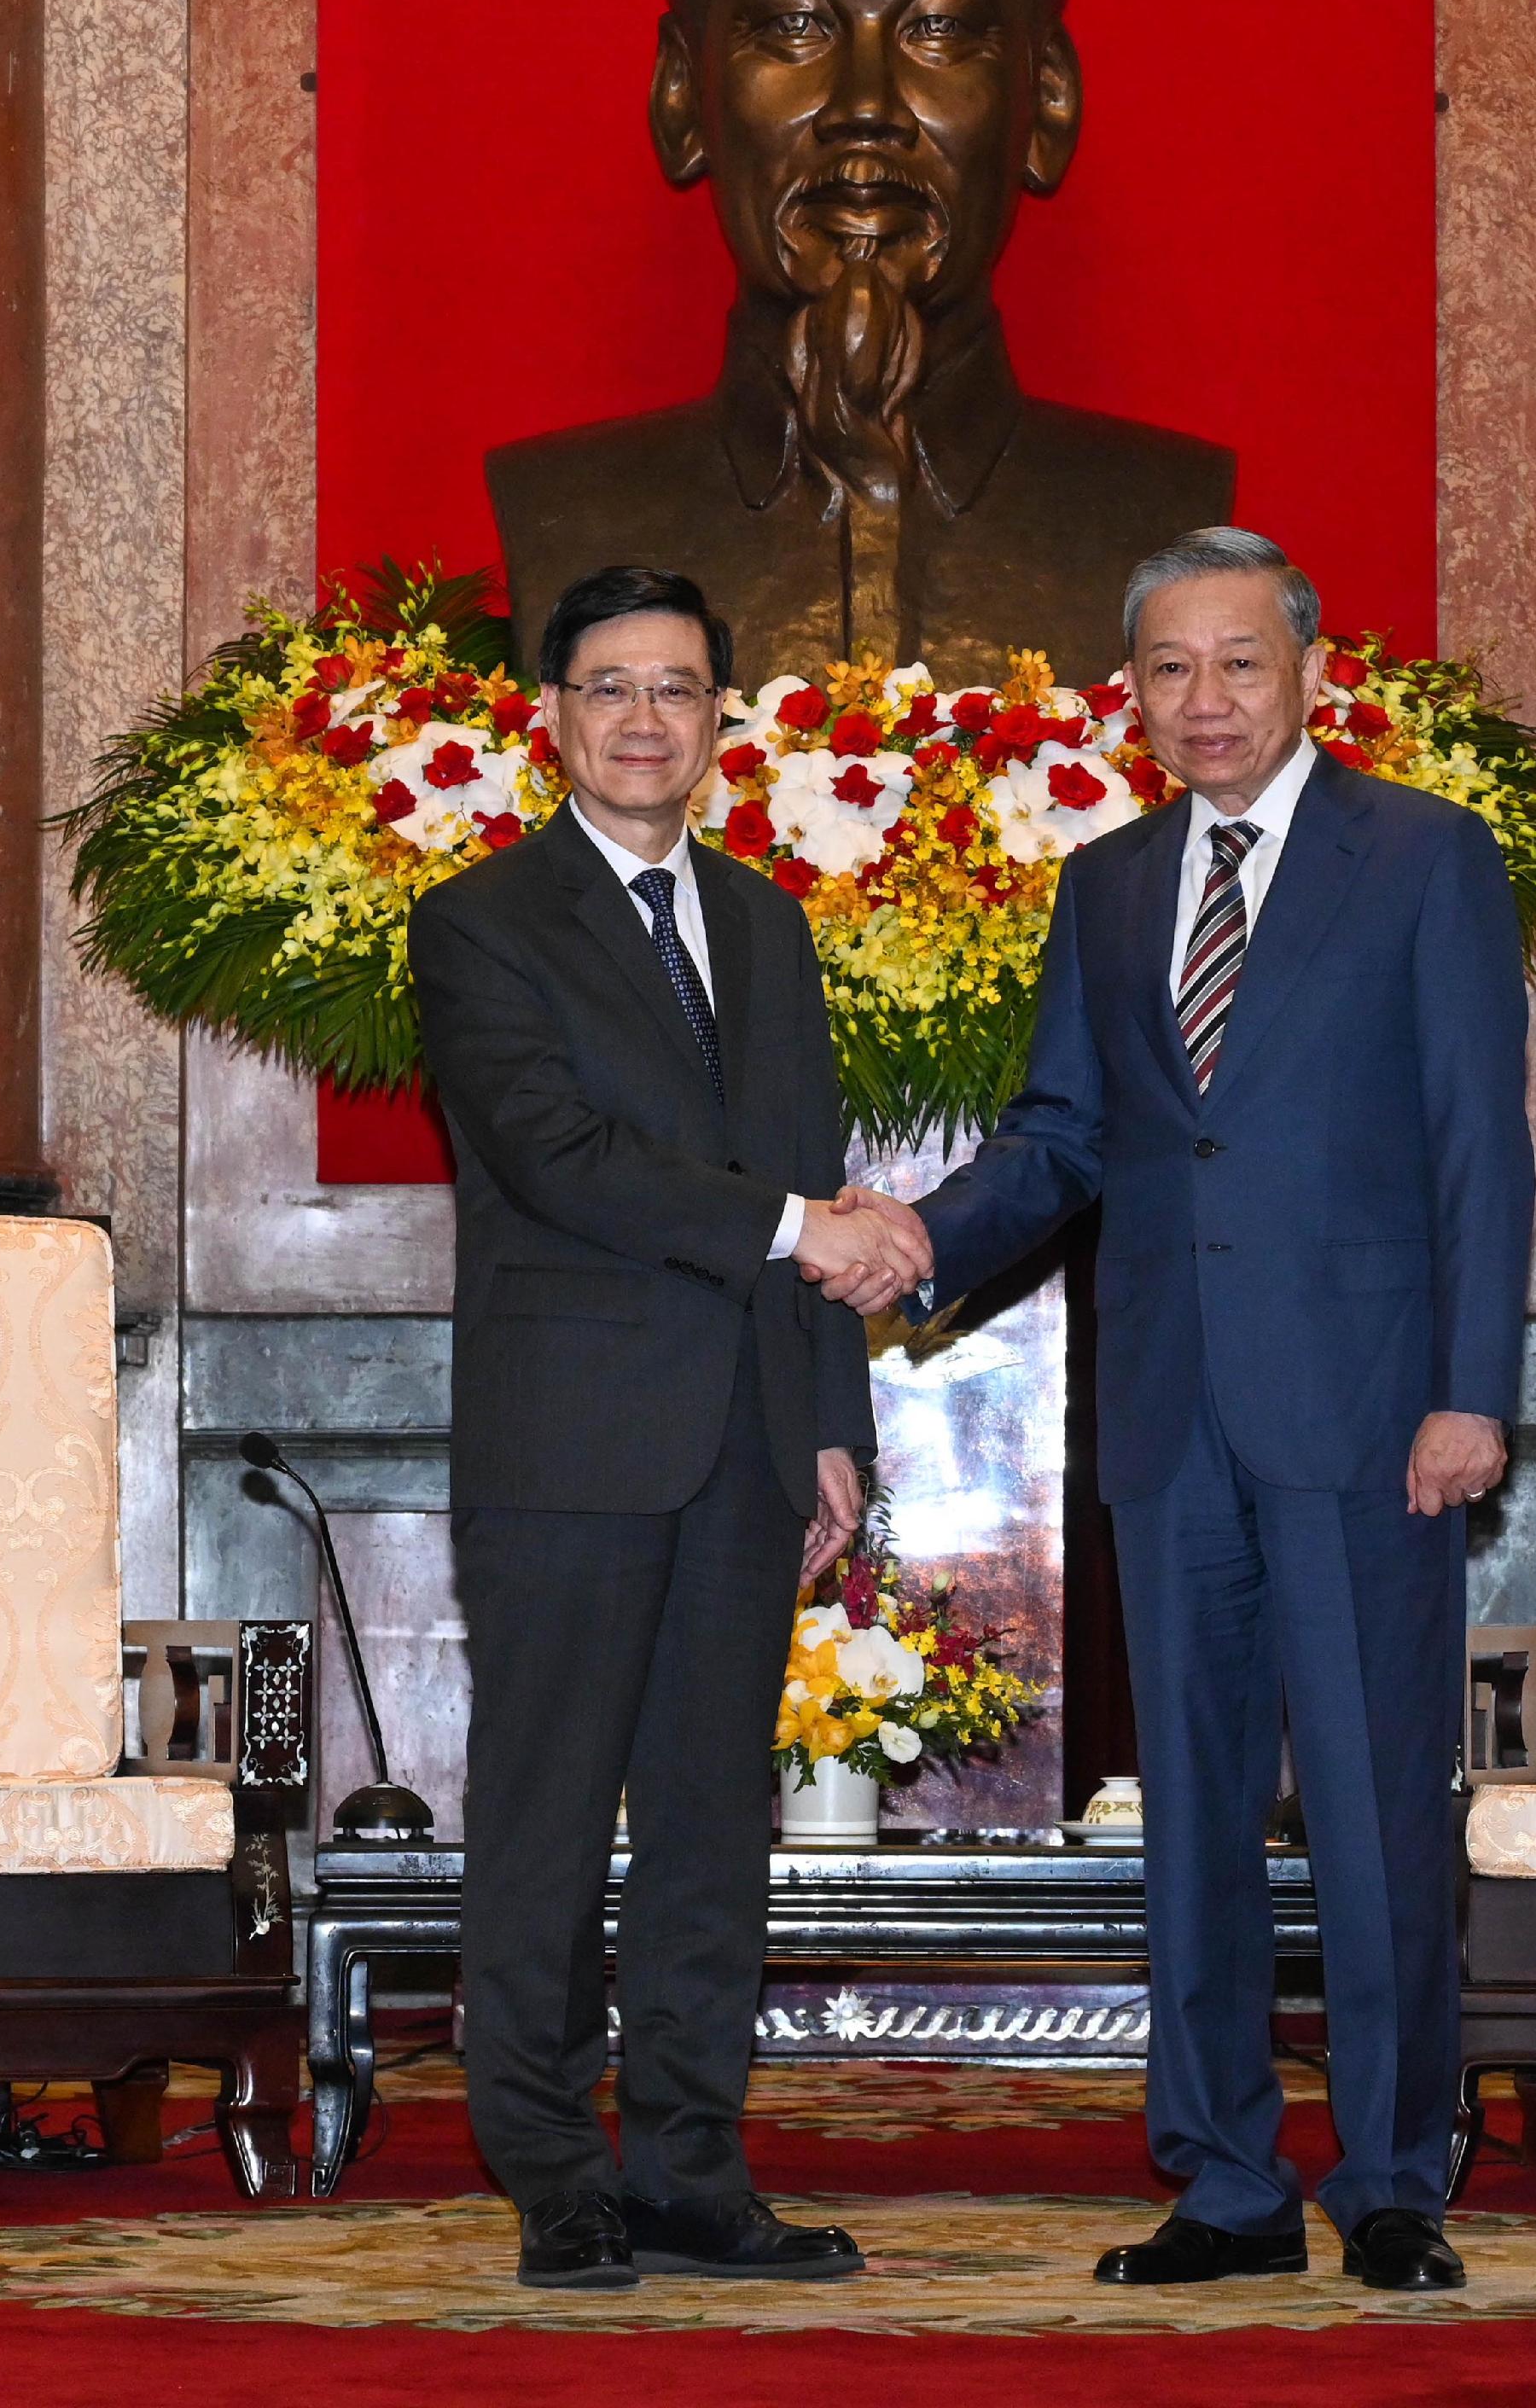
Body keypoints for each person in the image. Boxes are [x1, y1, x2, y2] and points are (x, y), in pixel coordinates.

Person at [807, 524, 1532, 2293]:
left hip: (1371, 1413)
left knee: (1369, 1811)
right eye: (1168, 671)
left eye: (1238, 665)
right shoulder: (1114, 883)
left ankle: (1390, 2178)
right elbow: (1065, 1136)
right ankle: (1220, 2178)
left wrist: (1469, 1393)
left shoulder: (1423, 858)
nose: (1203, 701)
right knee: (1193, 1812)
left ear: (1306, 670)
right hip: (1170, 1414)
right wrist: (916, 1243)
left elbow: (1475, 1143)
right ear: (1131, 693)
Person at [409, 562, 923, 2290]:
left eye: (678, 687)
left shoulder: (769, 924)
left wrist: (831, 1417)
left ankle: (694, 2162)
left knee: (714, 1821)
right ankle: (556, 2167)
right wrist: (799, 1234)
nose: (645, 717)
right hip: (570, 1438)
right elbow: (563, 1158)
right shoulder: (483, 919)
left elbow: (814, 1163)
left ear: (722, 721)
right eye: (611, 685)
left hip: (747, 1441)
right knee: (551, 1813)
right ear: (552, 717)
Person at [486, 0, 1232, 689]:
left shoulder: (1165, 516)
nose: (866, 106)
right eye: (797, 26)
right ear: (682, 97)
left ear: (1045, 103)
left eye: (940, 28)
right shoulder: (564, 510)